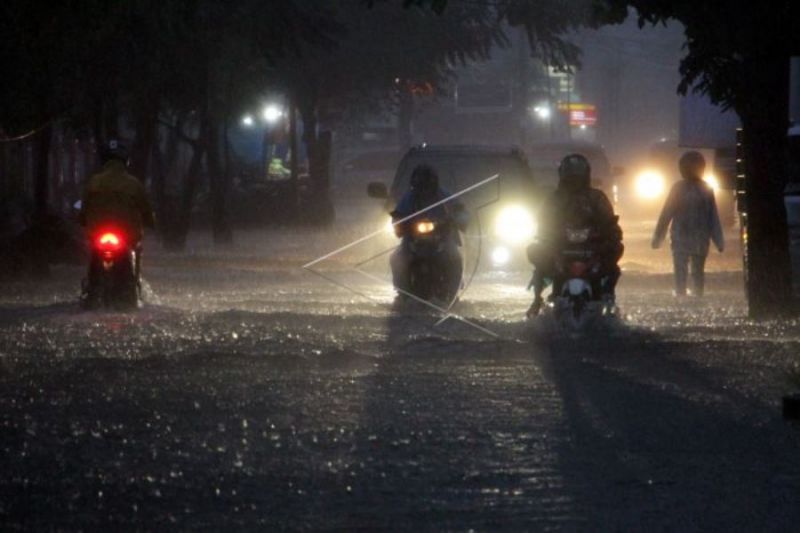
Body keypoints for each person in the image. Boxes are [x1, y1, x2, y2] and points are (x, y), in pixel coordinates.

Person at [527, 153, 624, 317]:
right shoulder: (554, 198)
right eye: (570, 173)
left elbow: (609, 220)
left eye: (578, 173)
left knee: (613, 259)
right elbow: (543, 220)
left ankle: (607, 294)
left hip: (592, 245)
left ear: (585, 174)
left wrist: (612, 234)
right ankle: (537, 299)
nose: (574, 178)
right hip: (559, 244)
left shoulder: (596, 197)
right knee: (536, 253)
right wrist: (545, 235)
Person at [79, 140, 155, 296]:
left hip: (98, 235)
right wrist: (151, 222)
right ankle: (133, 288)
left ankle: (90, 291)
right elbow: (146, 210)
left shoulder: (94, 182)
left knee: (93, 262)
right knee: (135, 257)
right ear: (125, 161)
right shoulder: (134, 184)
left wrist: (82, 221)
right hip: (127, 236)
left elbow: (84, 210)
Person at [389, 164, 469, 301]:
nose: (424, 190)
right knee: (396, 258)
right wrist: (398, 223)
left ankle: (452, 292)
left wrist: (457, 219)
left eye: (426, 185)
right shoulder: (408, 198)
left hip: (443, 239)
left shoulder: (445, 196)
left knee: (454, 257)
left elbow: (461, 211)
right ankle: (402, 292)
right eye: (420, 186)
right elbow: (398, 215)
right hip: (412, 240)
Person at [651, 151, 724, 297]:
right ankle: (690, 296)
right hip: (689, 237)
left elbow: (712, 216)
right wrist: (719, 241)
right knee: (691, 271)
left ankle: (687, 295)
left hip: (688, 237)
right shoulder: (696, 189)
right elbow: (667, 213)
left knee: (688, 270)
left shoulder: (698, 189)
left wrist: (658, 238)